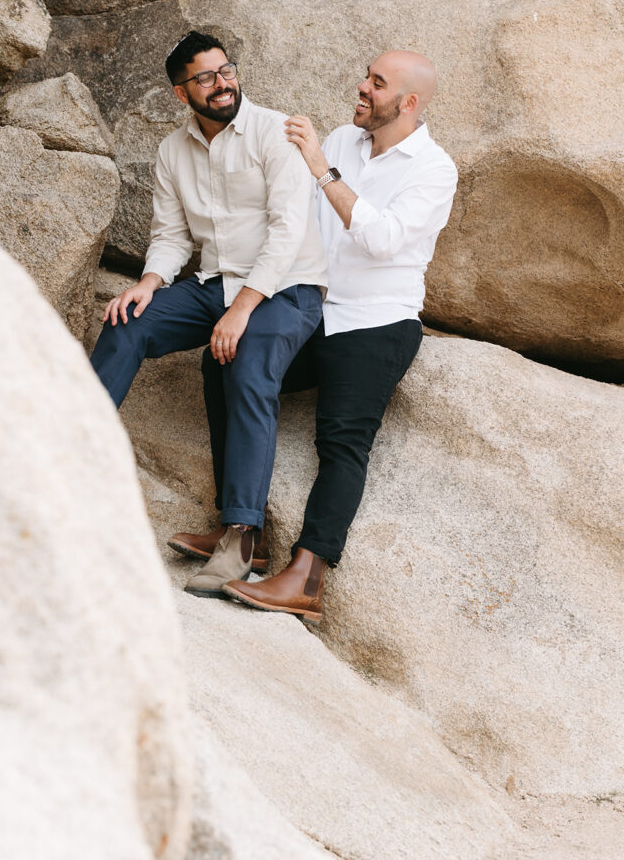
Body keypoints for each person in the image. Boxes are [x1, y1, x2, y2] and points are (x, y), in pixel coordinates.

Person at [168, 49, 458, 624]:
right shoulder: (343, 139)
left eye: (377, 84)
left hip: (377, 322)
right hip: (314, 307)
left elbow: (381, 240)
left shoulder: (433, 167)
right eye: (366, 77)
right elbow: (296, 220)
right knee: (225, 362)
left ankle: (307, 577)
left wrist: (323, 168)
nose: (362, 88)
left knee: (342, 441)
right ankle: (241, 532)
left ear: (409, 103)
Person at [91, 31, 327, 597]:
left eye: (227, 71)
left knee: (245, 363)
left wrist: (243, 309)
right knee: (127, 322)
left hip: (287, 288)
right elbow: (171, 236)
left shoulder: (276, 132)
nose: (222, 83)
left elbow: (288, 231)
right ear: (181, 93)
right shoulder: (174, 151)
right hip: (213, 285)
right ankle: (71, 452)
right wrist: (147, 284)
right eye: (206, 77)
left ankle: (243, 535)